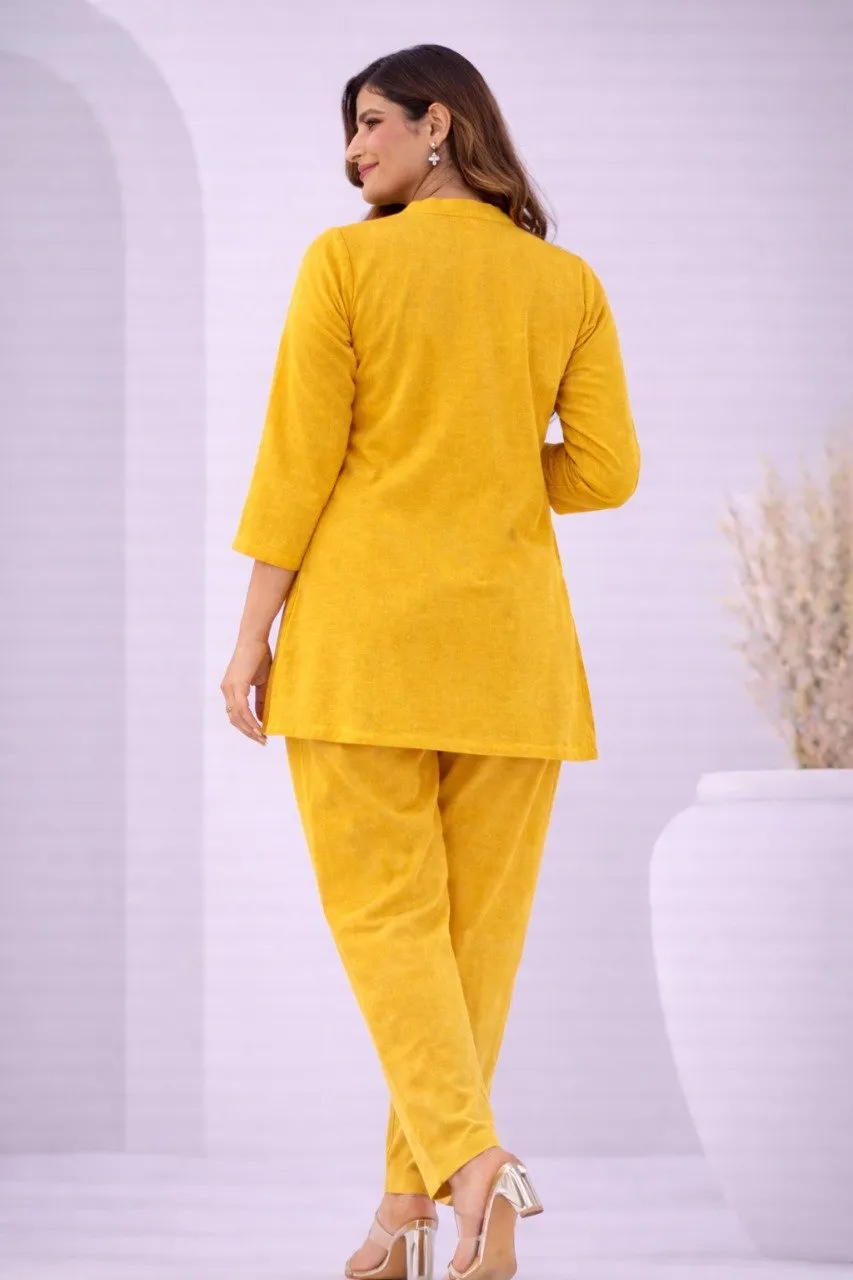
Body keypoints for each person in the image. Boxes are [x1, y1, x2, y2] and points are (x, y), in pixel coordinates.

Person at [220, 42, 640, 1280]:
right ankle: (405, 1215)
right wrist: (496, 459)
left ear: (438, 123)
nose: (353, 151)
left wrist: (249, 636)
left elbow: (295, 462)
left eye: (369, 122)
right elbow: (606, 470)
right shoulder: (564, 281)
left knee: (389, 927)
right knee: (465, 953)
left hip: (363, 648)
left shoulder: (345, 263)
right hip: (513, 660)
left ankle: (471, 1167)